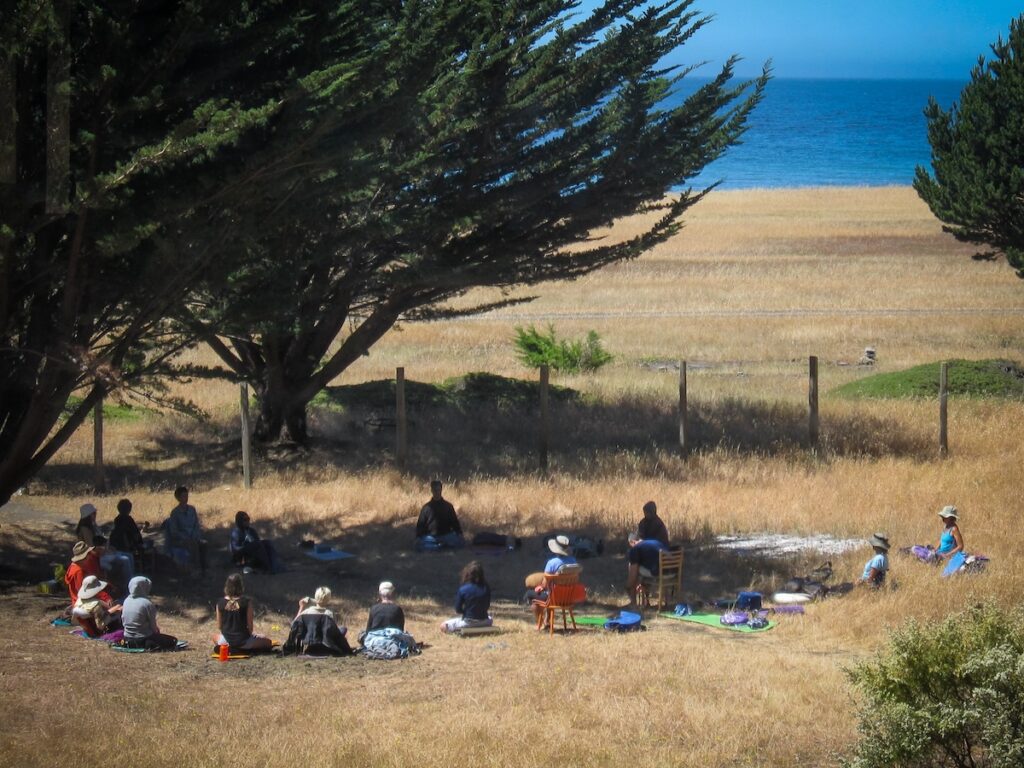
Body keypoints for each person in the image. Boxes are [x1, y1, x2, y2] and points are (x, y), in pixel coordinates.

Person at [523, 535, 579, 625]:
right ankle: (547, 620)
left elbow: (545, 584)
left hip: (553, 597)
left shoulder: (552, 563)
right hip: (568, 597)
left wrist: (540, 587)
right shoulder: (573, 561)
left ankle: (540, 622)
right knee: (548, 592)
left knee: (530, 594)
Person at [282, 586, 352, 656]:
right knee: (343, 629)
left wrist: (301, 607)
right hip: (325, 642)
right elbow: (333, 631)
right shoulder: (328, 614)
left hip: (309, 640)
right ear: (328, 599)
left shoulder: (306, 612)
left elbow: (294, 625)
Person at [215, 573, 273, 652]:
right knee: (268, 642)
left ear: (227, 586)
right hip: (244, 641)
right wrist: (254, 636)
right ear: (240, 586)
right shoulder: (246, 602)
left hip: (226, 640)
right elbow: (250, 627)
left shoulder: (220, 603)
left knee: (214, 637)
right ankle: (240, 648)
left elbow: (219, 626)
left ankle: (229, 647)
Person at [121, 576, 179, 651]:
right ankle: (151, 645)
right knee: (173, 640)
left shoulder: (126, 601)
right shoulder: (147, 603)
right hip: (142, 639)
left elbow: (123, 620)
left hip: (127, 639)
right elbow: (153, 628)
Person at [164, 486, 207, 574]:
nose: (186, 498)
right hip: (181, 539)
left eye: (187, 495)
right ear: (178, 498)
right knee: (191, 544)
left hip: (193, 536)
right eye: (183, 496)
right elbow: (174, 531)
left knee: (202, 543)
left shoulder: (192, 509)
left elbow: (196, 525)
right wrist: (185, 537)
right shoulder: (175, 513)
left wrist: (196, 535)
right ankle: (194, 569)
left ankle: (203, 568)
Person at [441, 561, 492, 633]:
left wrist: (467, 612)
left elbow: (458, 609)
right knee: (490, 617)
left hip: (468, 622)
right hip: (486, 621)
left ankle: (459, 630)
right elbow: (487, 606)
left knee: (443, 625)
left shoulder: (463, 589)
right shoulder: (486, 588)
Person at [415, 480, 465, 551]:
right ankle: (441, 546)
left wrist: (459, 533)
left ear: (441, 490)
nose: (437, 492)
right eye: (435, 490)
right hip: (431, 537)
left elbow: (455, 522)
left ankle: (437, 546)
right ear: (431, 491)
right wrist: (418, 536)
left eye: (438, 490)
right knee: (419, 545)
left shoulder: (448, 506)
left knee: (460, 542)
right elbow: (420, 524)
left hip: (446, 535)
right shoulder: (426, 507)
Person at [625, 531, 668, 606]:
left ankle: (633, 602)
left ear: (632, 542)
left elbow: (634, 570)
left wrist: (629, 585)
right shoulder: (656, 542)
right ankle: (645, 598)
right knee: (642, 573)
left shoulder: (636, 548)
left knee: (632, 567)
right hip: (671, 570)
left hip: (658, 571)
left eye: (630, 545)